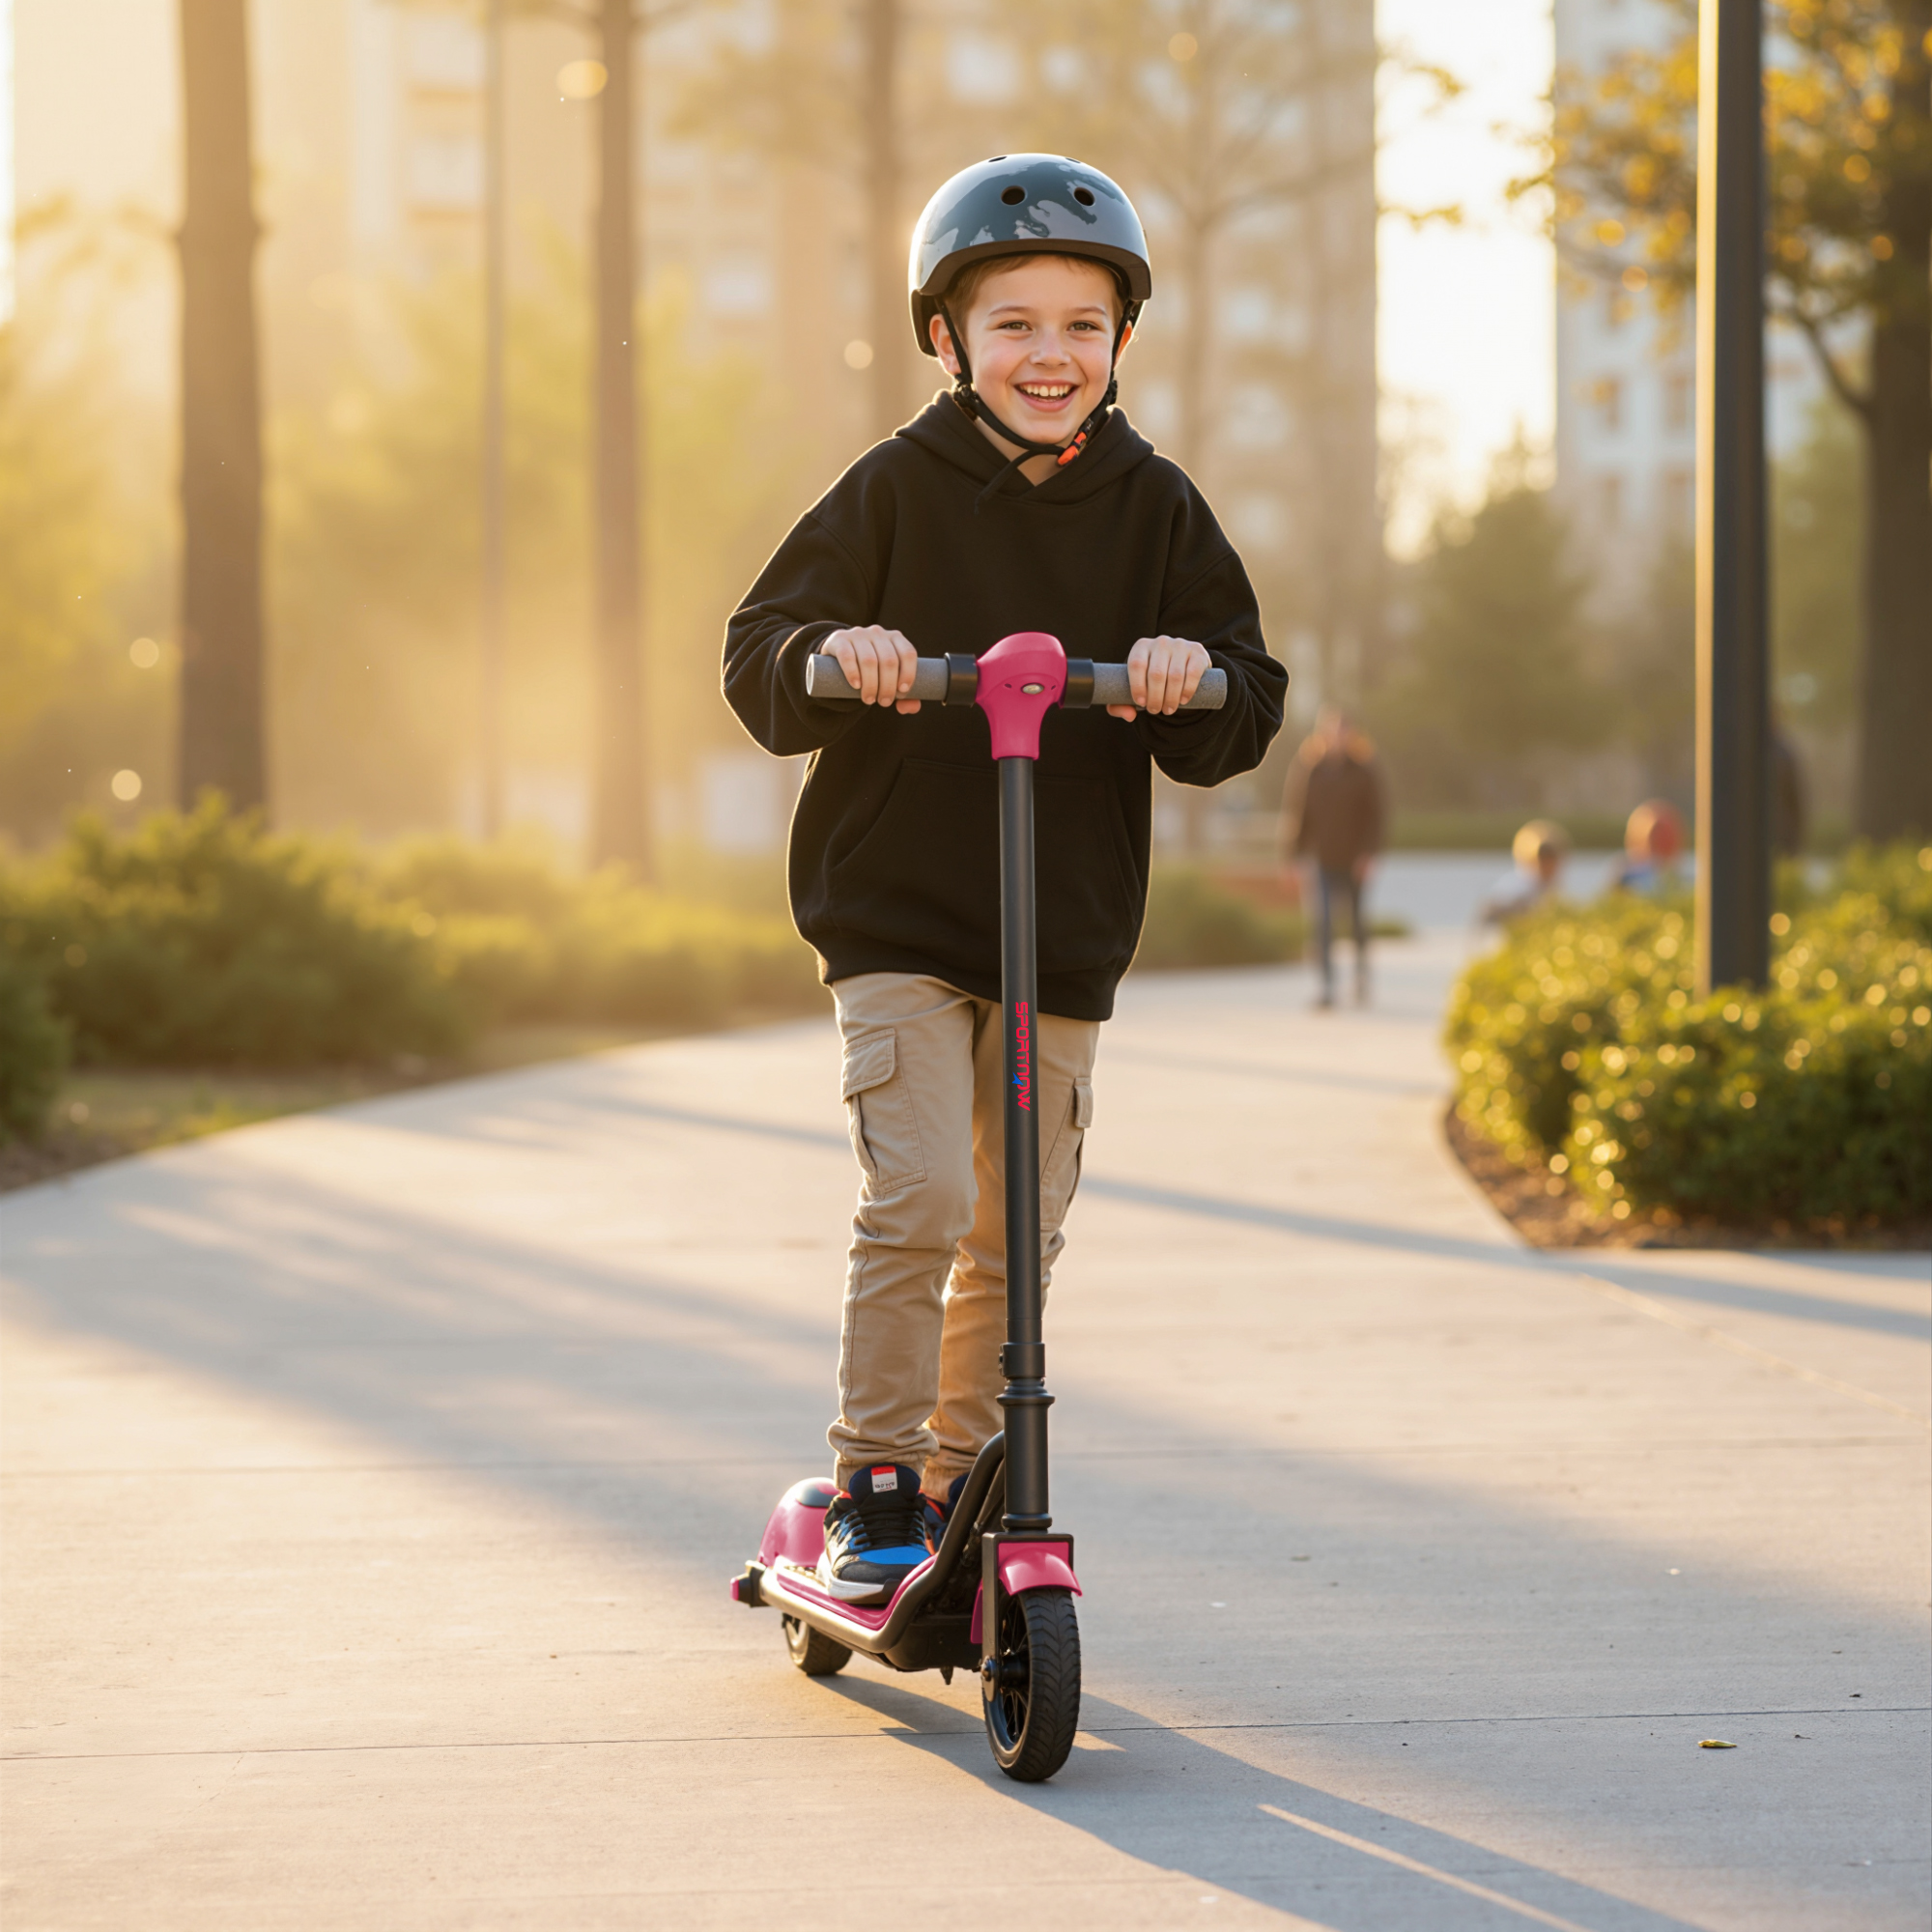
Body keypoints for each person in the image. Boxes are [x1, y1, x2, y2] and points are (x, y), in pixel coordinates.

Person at [723, 155, 1287, 1604]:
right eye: (1017, 323)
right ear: (948, 339)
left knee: (1013, 1229)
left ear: (1120, 342)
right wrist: (831, 659)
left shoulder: (1155, 506)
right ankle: (876, 1486)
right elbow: (760, 650)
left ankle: (968, 1479)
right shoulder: (898, 488)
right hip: (899, 912)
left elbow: (1245, 701)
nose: (1052, 355)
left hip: (1065, 925)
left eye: (1083, 326)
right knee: (917, 1195)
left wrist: (1190, 675)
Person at [1278, 707, 1386, 1008]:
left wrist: (1369, 854)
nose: (1336, 737)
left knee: (1355, 922)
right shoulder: (1311, 769)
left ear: (1350, 735)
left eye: (1342, 731)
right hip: (1323, 860)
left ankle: (1362, 975)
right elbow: (1298, 814)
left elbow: (1376, 816)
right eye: (1331, 731)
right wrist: (1292, 857)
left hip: (1354, 860)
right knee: (1322, 923)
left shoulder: (1364, 770)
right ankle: (1327, 986)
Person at [1480, 818, 1569, 923]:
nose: (1549, 867)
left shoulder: (1550, 887)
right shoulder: (1520, 887)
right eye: (1544, 860)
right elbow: (1490, 911)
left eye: (1552, 860)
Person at [1608, 798, 1685, 895]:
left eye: (1665, 835)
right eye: (1656, 835)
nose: (1661, 839)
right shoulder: (1625, 875)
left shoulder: (1677, 880)